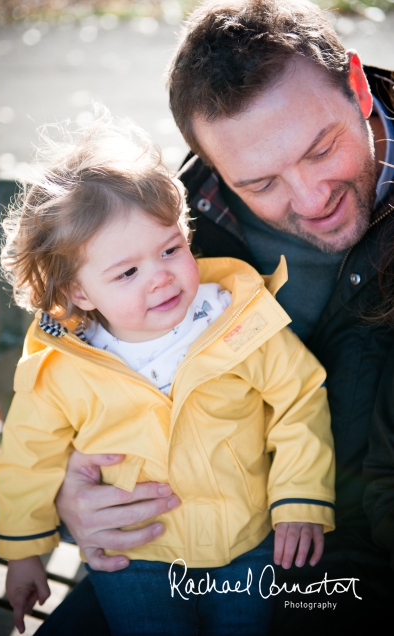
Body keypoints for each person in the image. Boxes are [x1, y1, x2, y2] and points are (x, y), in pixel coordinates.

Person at [38, 1, 394, 633]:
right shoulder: (179, 231)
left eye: (321, 149)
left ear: (359, 87)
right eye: (261, 183)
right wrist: (69, 489)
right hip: (193, 535)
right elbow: (92, 366)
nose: (311, 201)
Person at [0, 113, 336, 635]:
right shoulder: (63, 366)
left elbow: (300, 398)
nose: (160, 278)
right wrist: (25, 551)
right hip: (134, 556)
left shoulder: (239, 322)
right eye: (128, 272)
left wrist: (300, 496)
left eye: (171, 250)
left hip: (245, 544)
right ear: (80, 292)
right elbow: (26, 457)